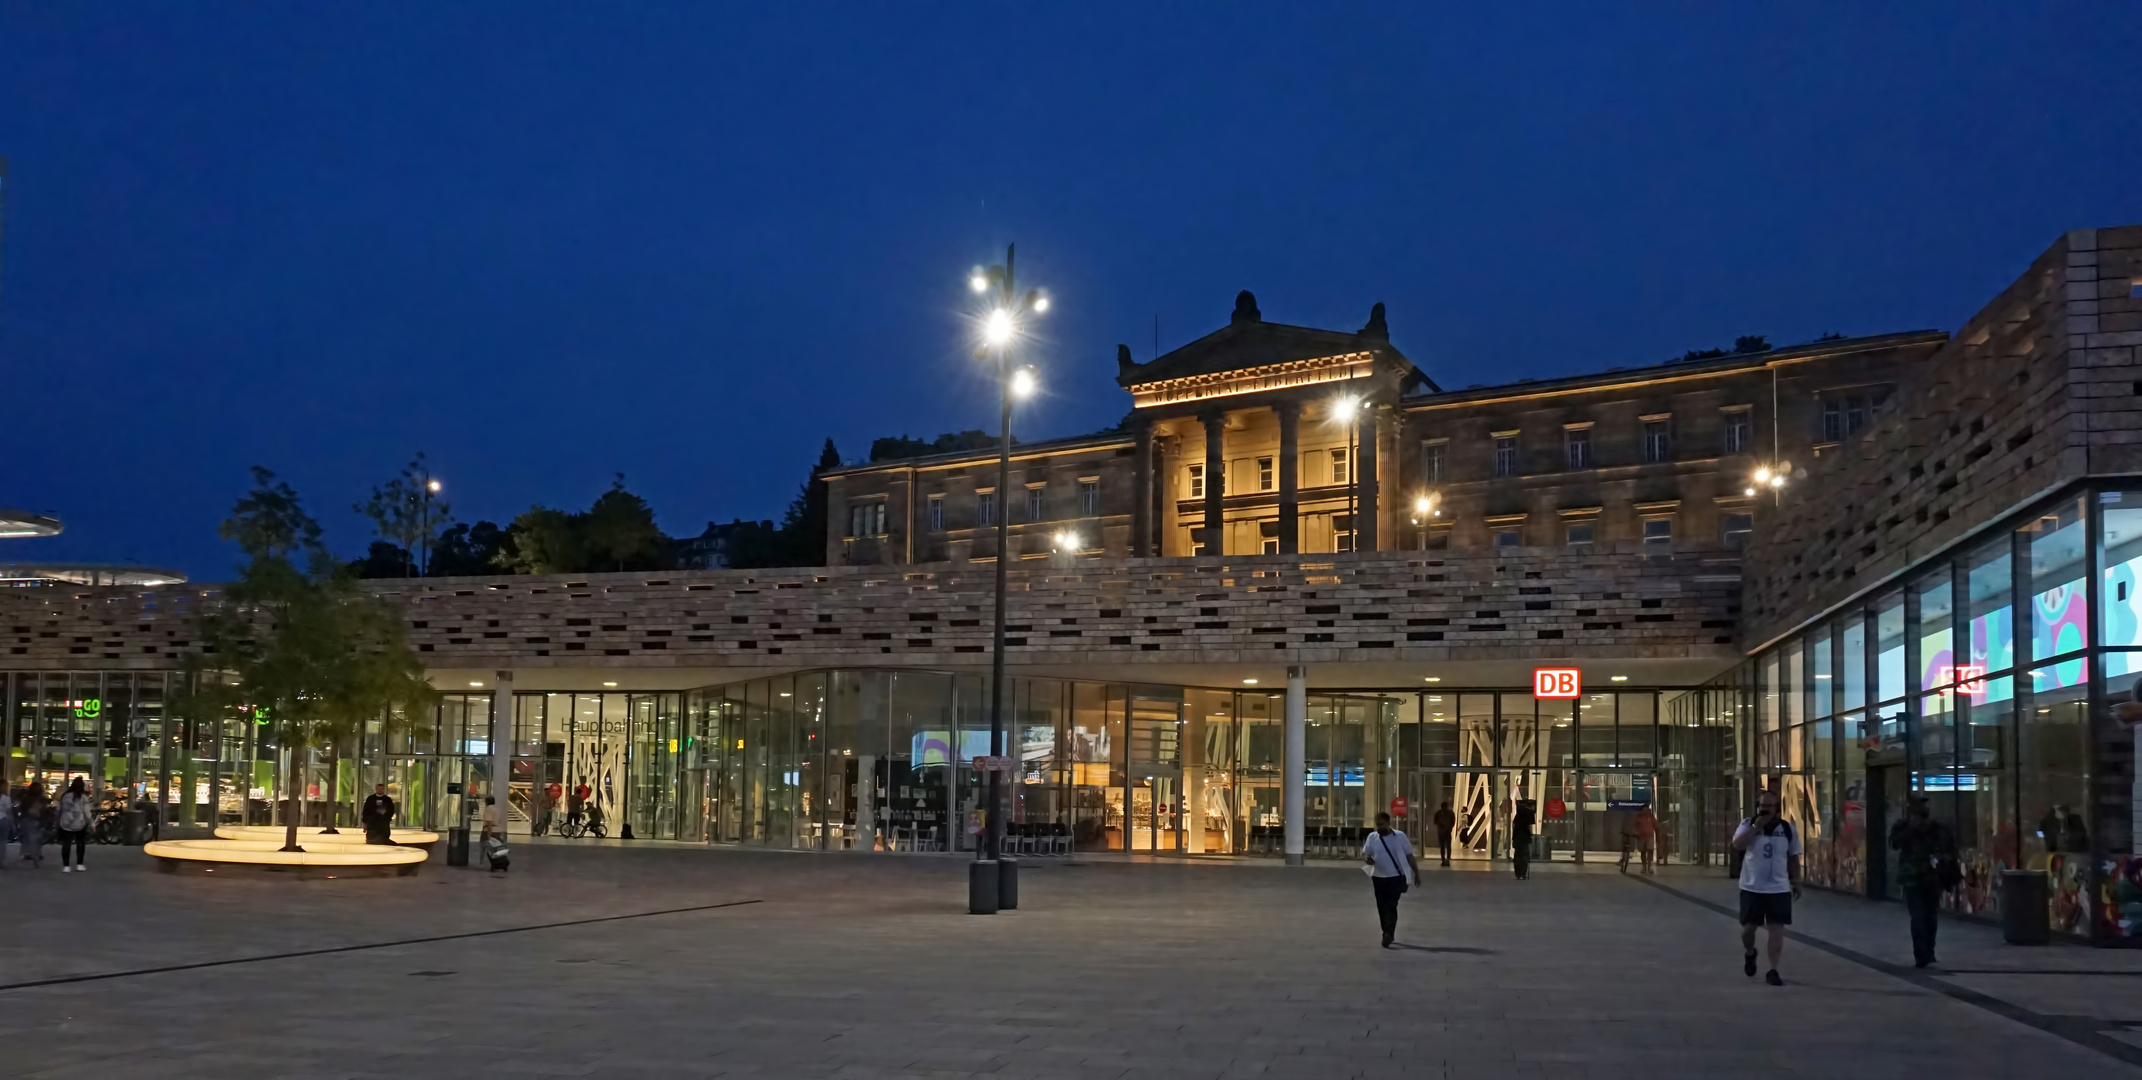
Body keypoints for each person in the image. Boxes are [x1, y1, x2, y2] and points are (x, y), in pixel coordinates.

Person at [1732, 789, 1801, 986]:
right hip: (1752, 886)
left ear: (1776, 808)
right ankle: (1750, 952)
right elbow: (1737, 845)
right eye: (1762, 806)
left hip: (1778, 888)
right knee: (1748, 930)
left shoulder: (1787, 829)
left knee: (1776, 930)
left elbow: (1793, 856)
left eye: (1769, 807)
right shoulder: (1747, 824)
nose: (1765, 810)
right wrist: (1755, 827)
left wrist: (1796, 881)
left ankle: (1773, 970)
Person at [1890, 796, 1958, 968]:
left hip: (1932, 877)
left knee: (1930, 916)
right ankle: (1922, 954)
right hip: (1912, 878)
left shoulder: (1938, 829)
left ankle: (1929, 951)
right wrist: (1911, 829)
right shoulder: (1903, 827)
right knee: (1919, 917)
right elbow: (1894, 843)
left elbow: (1950, 849)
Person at [1361, 811, 1421, 948]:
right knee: (1382, 906)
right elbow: (1366, 853)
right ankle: (1387, 931)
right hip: (1378, 877)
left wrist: (1416, 873)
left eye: (1382, 825)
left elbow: (1409, 856)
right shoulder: (1372, 837)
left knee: (1391, 905)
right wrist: (1367, 859)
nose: (1380, 827)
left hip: (1396, 878)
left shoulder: (1400, 837)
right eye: (1378, 825)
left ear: (1389, 823)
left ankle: (1388, 933)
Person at [55, 777, 92, 873]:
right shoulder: (83, 797)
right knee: (80, 844)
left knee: (66, 844)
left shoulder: (65, 796)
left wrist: (58, 820)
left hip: (66, 823)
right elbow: (87, 812)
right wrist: (91, 822)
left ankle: (66, 866)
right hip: (80, 823)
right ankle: (79, 864)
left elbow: (59, 810)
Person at [16, 782, 48, 869]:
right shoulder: (42, 799)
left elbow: (21, 810)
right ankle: (36, 856)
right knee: (37, 840)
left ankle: (24, 854)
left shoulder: (26, 799)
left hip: (26, 821)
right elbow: (45, 811)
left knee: (27, 839)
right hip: (37, 821)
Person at [1620, 804, 1658, 875]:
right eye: (1644, 810)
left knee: (1650, 850)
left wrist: (1657, 834)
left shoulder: (1651, 817)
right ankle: (1644, 866)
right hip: (1640, 836)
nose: (1646, 811)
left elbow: (1655, 826)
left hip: (1649, 836)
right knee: (1643, 852)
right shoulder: (1638, 817)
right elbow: (1633, 825)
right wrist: (1634, 832)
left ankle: (1649, 865)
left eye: (1647, 810)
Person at [1511, 798, 1536, 880]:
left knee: (1518, 855)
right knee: (1524, 855)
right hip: (1524, 838)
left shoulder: (1517, 816)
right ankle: (1522, 873)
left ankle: (1518, 872)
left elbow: (1514, 826)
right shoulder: (1529, 815)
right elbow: (1529, 827)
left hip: (1518, 837)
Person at [1432, 801, 1456, 867]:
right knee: (1447, 846)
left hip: (1442, 832)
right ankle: (1447, 859)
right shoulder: (1450, 813)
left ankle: (1444, 860)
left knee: (1443, 846)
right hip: (1446, 831)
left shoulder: (1439, 813)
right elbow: (1453, 822)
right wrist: (1449, 827)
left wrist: (1440, 824)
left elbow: (1435, 821)